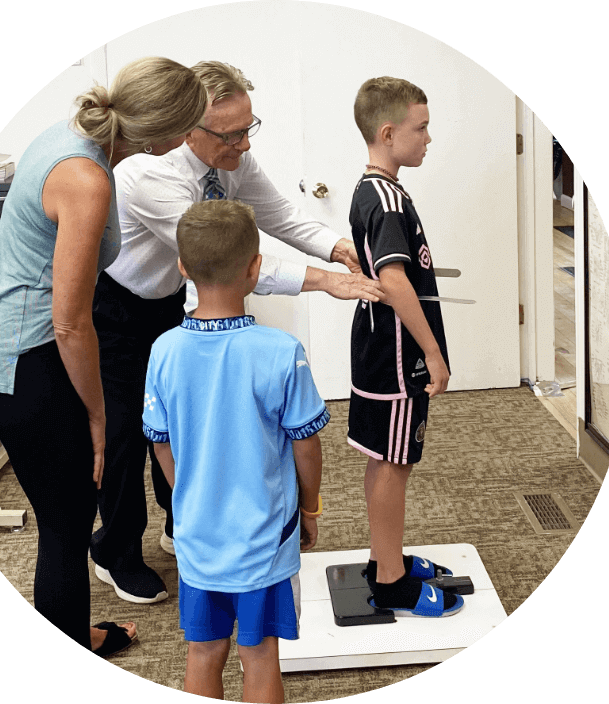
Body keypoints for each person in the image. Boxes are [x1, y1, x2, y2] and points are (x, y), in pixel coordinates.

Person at [89, 60, 381, 604]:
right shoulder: (148, 174)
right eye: (231, 134)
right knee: (132, 431)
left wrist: (336, 247)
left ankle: (179, 526)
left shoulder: (229, 155)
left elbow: (278, 216)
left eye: (250, 128)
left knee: (182, 421)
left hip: (167, 300)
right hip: (117, 310)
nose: (244, 144)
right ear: (187, 131)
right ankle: (115, 552)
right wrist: (326, 283)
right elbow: (223, 260)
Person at [0, 57, 208, 654]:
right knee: (67, 523)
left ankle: (72, 627)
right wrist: (97, 415)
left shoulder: (75, 134)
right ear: (164, 135)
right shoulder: (87, 179)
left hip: (10, 344)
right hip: (19, 358)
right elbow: (71, 322)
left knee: (66, 509)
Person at [142, 198, 327, 702]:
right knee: (260, 653)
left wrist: (188, 496)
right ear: (255, 268)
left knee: (202, 652)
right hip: (264, 538)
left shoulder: (162, 351)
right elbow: (306, 446)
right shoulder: (281, 351)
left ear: (182, 268)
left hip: (198, 538)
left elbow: (159, 443)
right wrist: (309, 508)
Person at [347, 77, 464, 617]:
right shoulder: (388, 199)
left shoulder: (376, 190)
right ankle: (390, 579)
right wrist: (433, 353)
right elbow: (394, 282)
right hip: (395, 353)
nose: (428, 139)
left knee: (388, 456)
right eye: (421, 128)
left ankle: (384, 557)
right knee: (394, 460)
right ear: (388, 133)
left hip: (381, 345)